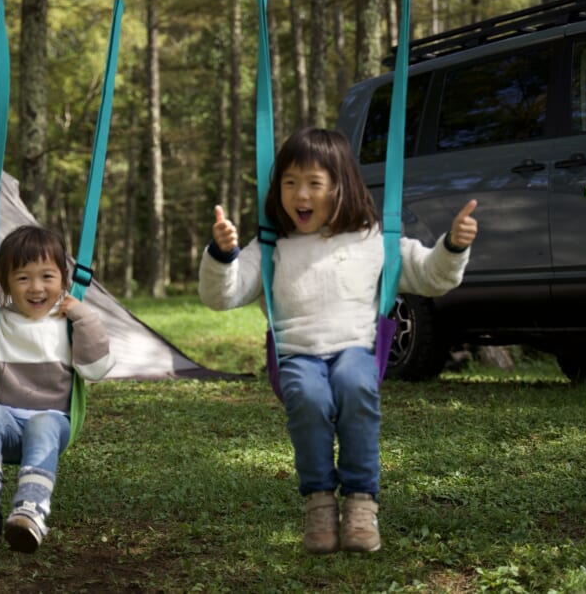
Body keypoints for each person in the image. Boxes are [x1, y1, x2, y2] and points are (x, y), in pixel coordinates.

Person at [198, 127, 478, 554]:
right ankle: (320, 502)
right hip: (296, 353)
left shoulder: (372, 240)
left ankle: (362, 502)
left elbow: (430, 275)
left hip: (356, 349)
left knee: (353, 385)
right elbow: (223, 295)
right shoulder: (273, 245)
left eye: (313, 183)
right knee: (309, 400)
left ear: (340, 187)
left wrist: (453, 246)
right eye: (290, 183)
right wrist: (223, 257)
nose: (300, 194)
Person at [0, 224, 114, 553]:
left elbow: (97, 368)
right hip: (7, 426)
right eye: (23, 278)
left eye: (47, 276)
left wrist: (85, 318)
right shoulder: (0, 320)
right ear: (4, 283)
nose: (36, 287)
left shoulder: (69, 320)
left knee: (42, 422)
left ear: (64, 279)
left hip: (53, 424)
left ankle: (30, 510)